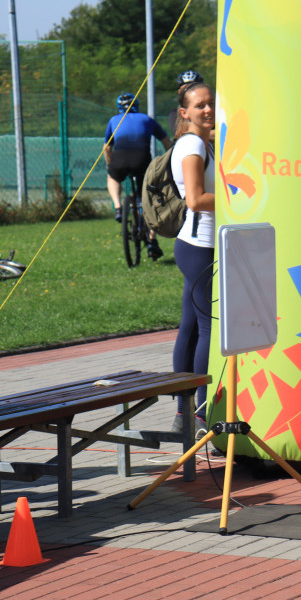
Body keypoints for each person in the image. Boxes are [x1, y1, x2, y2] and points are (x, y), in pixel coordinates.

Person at [170, 81, 216, 433]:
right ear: (184, 112)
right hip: (199, 245)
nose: (207, 109)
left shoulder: (200, 141)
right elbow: (196, 200)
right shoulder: (192, 144)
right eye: (199, 105)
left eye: (211, 103)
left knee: (189, 325)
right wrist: (242, 196)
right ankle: (199, 412)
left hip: (195, 243)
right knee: (204, 327)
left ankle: (183, 411)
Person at [103, 92, 172, 260]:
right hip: (142, 159)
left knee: (112, 177)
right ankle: (151, 241)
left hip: (119, 158)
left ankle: (118, 207)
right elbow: (166, 142)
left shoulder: (113, 120)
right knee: (151, 199)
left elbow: (107, 148)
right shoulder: (147, 119)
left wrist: (109, 164)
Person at [168, 69, 204, 135]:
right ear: (179, 92)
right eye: (185, 89)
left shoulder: (210, 110)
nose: (189, 91)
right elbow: (180, 134)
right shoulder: (175, 113)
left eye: (194, 88)